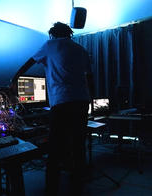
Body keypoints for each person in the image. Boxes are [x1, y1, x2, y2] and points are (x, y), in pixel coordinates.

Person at [11, 22, 93, 195]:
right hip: (82, 101)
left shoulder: (49, 45)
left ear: (53, 34)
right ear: (69, 33)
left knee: (55, 148)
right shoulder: (81, 49)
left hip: (62, 101)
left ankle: (51, 190)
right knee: (78, 145)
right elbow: (89, 76)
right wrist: (89, 100)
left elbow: (29, 63)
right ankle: (77, 187)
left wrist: (14, 78)